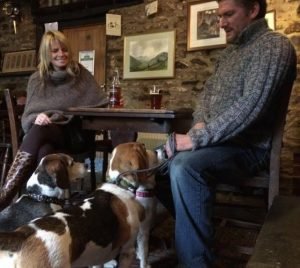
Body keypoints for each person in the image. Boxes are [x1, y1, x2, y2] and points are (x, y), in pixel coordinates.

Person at [158, 0, 297, 267]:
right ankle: (199, 237)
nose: (221, 23)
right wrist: (198, 123)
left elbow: (250, 107)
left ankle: (195, 261)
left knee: (184, 167)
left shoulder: (274, 46)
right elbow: (206, 98)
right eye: (220, 16)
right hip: (217, 143)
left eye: (228, 15)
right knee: (159, 165)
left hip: (249, 149)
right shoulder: (229, 54)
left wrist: (196, 139)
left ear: (253, 10)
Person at [0, 30, 108, 211]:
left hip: (76, 135)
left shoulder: (80, 74)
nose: (61, 54)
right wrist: (38, 116)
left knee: (40, 133)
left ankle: (5, 197)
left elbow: (101, 103)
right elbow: (28, 116)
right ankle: (50, 206)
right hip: (50, 133)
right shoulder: (37, 79)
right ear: (46, 54)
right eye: (55, 51)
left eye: (64, 50)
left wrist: (72, 114)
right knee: (45, 148)